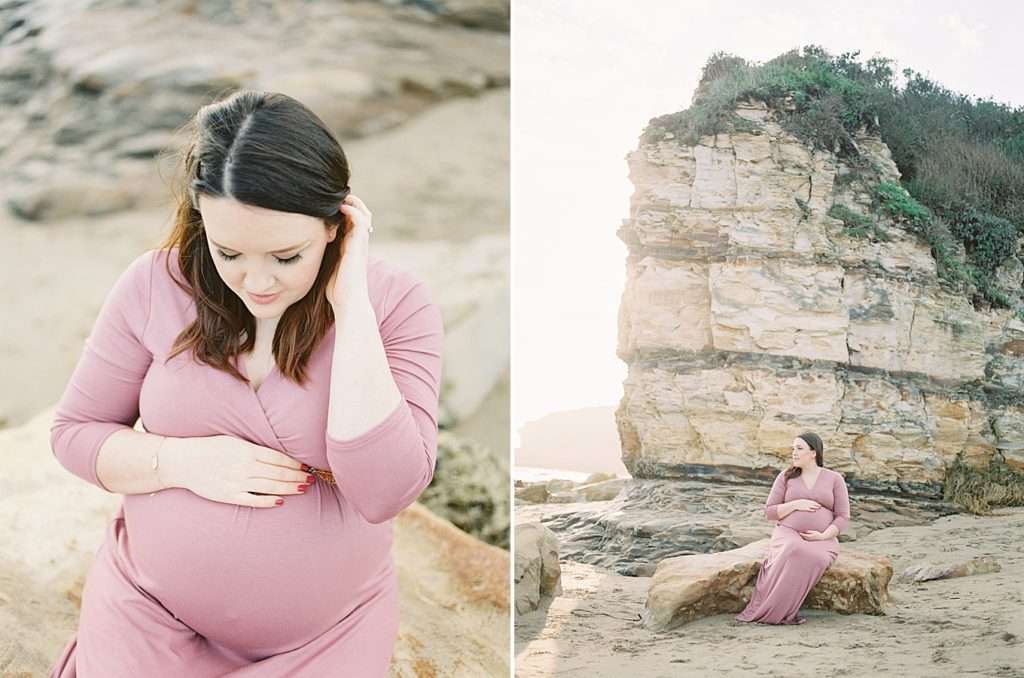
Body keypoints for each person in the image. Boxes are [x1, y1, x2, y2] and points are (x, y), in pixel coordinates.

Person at [48, 90, 444, 676]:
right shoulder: (154, 284)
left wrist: (352, 306)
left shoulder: (395, 304)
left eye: (286, 256)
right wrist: (182, 463)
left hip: (321, 641)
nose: (255, 282)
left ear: (337, 226)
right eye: (228, 251)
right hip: (147, 613)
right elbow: (74, 433)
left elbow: (386, 490)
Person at [735, 431, 851, 625]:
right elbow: (770, 512)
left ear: (814, 453)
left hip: (823, 539)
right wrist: (796, 504)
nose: (794, 453)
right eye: (793, 449)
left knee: (817, 557)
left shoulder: (834, 478)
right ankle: (773, 611)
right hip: (788, 532)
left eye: (799, 448)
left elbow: (842, 516)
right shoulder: (786, 477)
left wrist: (823, 535)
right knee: (793, 549)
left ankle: (786, 609)